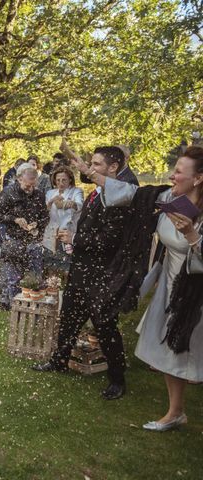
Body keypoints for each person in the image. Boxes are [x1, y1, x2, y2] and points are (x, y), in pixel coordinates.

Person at [71, 145, 203, 430]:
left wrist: (192, 235)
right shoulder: (168, 198)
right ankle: (176, 411)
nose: (171, 175)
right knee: (170, 346)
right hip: (170, 284)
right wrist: (93, 175)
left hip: (196, 291)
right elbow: (133, 195)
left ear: (198, 178)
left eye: (179, 171)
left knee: (191, 349)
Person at [33, 143, 133, 400]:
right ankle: (59, 360)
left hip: (101, 273)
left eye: (97, 164)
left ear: (114, 167)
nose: (91, 168)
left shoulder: (120, 198)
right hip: (81, 268)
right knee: (69, 318)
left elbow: (110, 239)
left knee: (105, 325)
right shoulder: (95, 192)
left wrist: (75, 239)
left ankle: (117, 379)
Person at [0, 163, 49, 309]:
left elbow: (45, 217)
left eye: (33, 185)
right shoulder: (8, 192)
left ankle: (34, 308)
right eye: (27, 186)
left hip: (33, 241)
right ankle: (15, 309)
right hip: (13, 240)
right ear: (19, 178)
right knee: (13, 279)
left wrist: (37, 224)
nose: (30, 189)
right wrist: (15, 219)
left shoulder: (39, 195)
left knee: (35, 277)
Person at [41, 166, 84, 270]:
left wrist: (72, 204)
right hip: (51, 233)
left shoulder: (76, 191)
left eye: (64, 180)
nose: (61, 183)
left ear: (70, 180)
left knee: (66, 265)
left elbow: (80, 205)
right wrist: (52, 201)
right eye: (58, 180)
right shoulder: (50, 193)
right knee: (50, 264)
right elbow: (43, 210)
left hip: (67, 232)